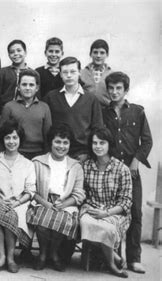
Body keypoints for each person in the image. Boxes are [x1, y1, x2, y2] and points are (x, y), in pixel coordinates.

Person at [102, 72, 152, 274]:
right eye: (111, 88)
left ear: (126, 90)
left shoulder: (137, 112)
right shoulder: (102, 113)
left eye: (119, 88)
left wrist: (135, 162)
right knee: (113, 212)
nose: (114, 92)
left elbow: (147, 141)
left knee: (135, 213)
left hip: (131, 172)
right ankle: (114, 256)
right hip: (111, 172)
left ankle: (133, 258)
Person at [27, 124, 85, 271]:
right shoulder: (37, 162)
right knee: (42, 220)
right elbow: (31, 189)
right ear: (50, 142)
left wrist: (64, 204)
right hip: (42, 200)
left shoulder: (76, 166)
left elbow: (79, 193)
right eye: (57, 142)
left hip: (65, 203)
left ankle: (53, 254)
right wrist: (45, 203)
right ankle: (43, 254)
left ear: (70, 144)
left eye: (65, 142)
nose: (61, 146)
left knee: (63, 219)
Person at [0, 120, 36, 273]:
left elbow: (30, 190)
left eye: (15, 138)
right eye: (7, 138)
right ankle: (1, 257)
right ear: (2, 139)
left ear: (20, 140)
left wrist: (17, 202)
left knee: (11, 216)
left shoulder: (28, 164)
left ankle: (11, 257)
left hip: (19, 203)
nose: (11, 141)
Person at [80, 128, 132, 278]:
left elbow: (126, 202)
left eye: (102, 143)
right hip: (92, 209)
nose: (98, 146)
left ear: (110, 144)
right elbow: (82, 192)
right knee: (84, 223)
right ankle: (114, 256)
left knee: (107, 227)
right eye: (94, 143)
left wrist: (106, 213)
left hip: (115, 212)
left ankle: (111, 264)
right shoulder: (87, 166)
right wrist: (89, 207)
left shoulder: (122, 169)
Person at [43, 56, 103, 162]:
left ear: (79, 72)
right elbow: (45, 127)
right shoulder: (51, 97)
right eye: (65, 72)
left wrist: (89, 153)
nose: (69, 75)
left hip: (82, 155)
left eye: (73, 71)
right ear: (60, 74)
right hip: (57, 153)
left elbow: (97, 128)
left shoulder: (91, 99)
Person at [0, 69, 52, 159]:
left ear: (37, 88)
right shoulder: (9, 107)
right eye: (24, 84)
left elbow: (48, 136)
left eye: (31, 85)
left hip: (39, 154)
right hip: (15, 153)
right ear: (18, 87)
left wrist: (45, 157)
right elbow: (1, 134)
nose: (27, 88)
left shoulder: (44, 107)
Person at [0, 39, 32, 111]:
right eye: (12, 52)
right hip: (5, 110)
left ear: (25, 52)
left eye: (19, 50)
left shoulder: (32, 73)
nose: (15, 54)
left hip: (25, 111)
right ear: (8, 55)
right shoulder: (2, 72)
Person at [80, 39, 113, 106]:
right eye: (95, 52)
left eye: (102, 53)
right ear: (90, 54)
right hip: (86, 110)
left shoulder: (112, 74)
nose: (98, 56)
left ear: (107, 54)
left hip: (106, 110)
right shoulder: (82, 73)